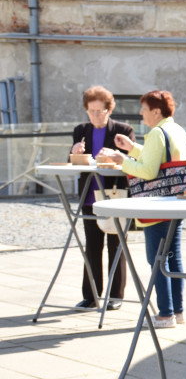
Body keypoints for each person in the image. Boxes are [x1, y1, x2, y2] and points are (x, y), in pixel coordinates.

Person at [109, 91, 186, 328]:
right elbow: (160, 158)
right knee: (173, 258)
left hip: (157, 204)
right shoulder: (177, 130)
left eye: (144, 109)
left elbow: (148, 171)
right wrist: (132, 148)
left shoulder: (156, 133)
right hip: (176, 200)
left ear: (156, 111)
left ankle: (165, 314)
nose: (141, 113)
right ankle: (177, 311)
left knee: (157, 260)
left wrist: (122, 161)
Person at [70, 86, 134, 310]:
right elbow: (73, 161)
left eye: (100, 111)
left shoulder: (123, 130)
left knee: (116, 246)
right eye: (91, 111)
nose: (96, 116)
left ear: (109, 110)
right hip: (90, 196)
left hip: (115, 196)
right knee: (92, 247)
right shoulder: (80, 130)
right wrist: (74, 152)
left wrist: (116, 156)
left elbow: (132, 161)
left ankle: (115, 297)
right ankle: (91, 296)